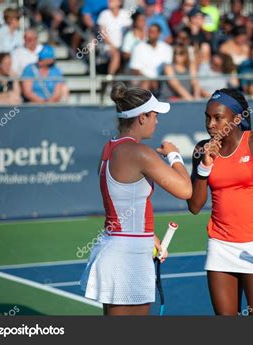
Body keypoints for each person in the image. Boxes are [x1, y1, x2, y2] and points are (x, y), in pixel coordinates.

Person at [81, 82, 192, 316]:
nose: (157, 120)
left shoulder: (110, 148)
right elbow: (185, 190)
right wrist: (174, 155)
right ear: (142, 117)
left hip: (121, 246)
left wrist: (149, 234)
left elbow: (122, 199)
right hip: (128, 255)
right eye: (154, 115)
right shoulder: (140, 153)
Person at [187, 88, 253, 316]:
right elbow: (195, 206)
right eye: (207, 117)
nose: (210, 124)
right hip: (220, 246)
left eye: (217, 117)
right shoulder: (201, 150)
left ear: (236, 119)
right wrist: (205, 166)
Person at [129, 24, 173, 92]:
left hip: (162, 81)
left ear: (159, 34)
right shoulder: (138, 47)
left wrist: (157, 81)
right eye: (149, 31)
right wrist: (150, 80)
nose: (150, 34)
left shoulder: (167, 48)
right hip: (142, 81)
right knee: (145, 84)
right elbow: (135, 69)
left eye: (153, 32)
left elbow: (168, 69)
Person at [97, 0, 133, 76]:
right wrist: (113, 46)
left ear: (119, 2)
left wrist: (125, 46)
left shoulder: (125, 14)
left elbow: (129, 31)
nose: (109, 2)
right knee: (116, 55)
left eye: (112, 1)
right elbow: (103, 34)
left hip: (123, 47)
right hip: (108, 47)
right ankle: (110, 79)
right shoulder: (104, 14)